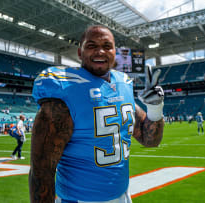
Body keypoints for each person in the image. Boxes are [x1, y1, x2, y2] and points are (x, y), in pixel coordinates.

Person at [29, 25, 165, 203]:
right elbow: (41, 172)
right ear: (80, 52)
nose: (100, 51)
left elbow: (150, 140)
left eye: (107, 46)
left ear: (115, 52)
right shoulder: (65, 93)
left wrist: (155, 109)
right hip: (79, 199)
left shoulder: (122, 84)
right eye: (91, 45)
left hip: (122, 196)